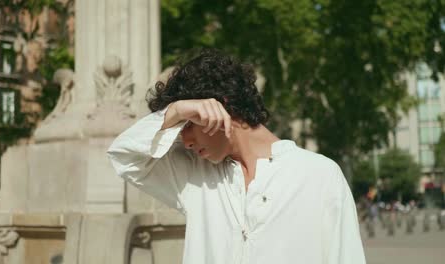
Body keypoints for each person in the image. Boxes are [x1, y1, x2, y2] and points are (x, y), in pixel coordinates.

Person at [107, 49, 366, 264]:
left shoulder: (319, 175)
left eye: (188, 125)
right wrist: (176, 111)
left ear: (222, 104)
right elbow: (124, 156)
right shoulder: (195, 177)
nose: (185, 141)